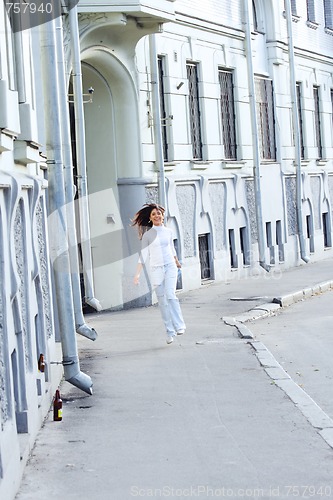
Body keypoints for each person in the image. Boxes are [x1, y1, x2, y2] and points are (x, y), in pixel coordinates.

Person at [132, 203, 186, 344]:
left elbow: (171, 248)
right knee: (162, 301)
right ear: (150, 218)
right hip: (156, 269)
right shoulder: (148, 235)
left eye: (159, 213)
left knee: (171, 294)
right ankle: (169, 331)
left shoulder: (168, 232)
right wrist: (137, 274)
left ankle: (179, 326)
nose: (157, 216)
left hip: (170, 267)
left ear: (163, 216)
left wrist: (176, 261)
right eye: (154, 214)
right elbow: (143, 255)